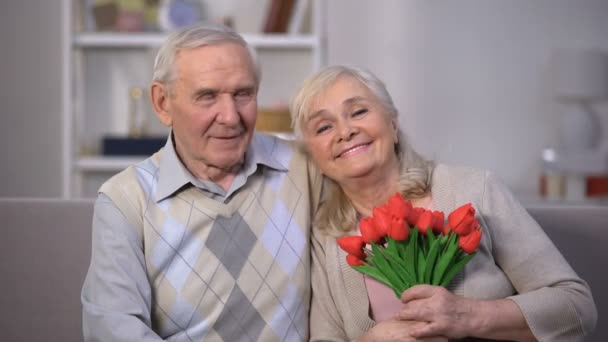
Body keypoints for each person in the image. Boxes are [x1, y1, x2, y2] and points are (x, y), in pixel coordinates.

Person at [289, 65, 597, 341]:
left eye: (358, 112)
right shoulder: (326, 236)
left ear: (393, 125)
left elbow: (576, 306)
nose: (346, 131)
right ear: (314, 155)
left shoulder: (475, 189)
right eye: (324, 127)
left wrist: (467, 316)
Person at [81, 23, 322, 341]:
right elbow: (114, 330)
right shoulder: (125, 200)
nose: (230, 116)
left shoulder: (304, 167)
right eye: (207, 96)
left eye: (243, 94)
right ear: (162, 103)